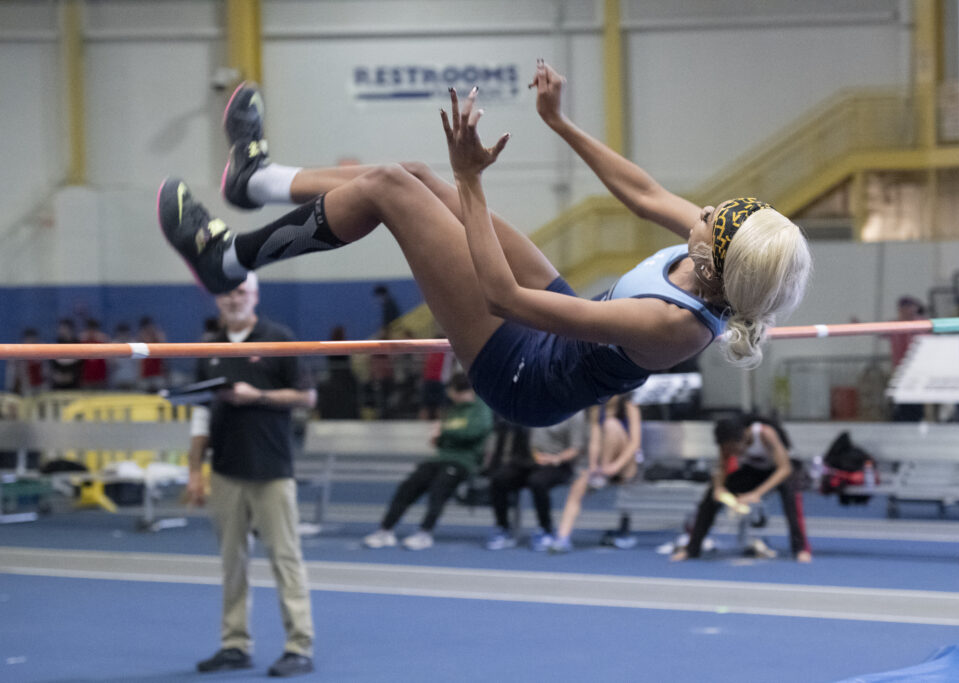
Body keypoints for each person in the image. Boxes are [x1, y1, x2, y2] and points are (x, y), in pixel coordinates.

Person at [157, 59, 812, 428]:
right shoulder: (712, 263)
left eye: (709, 217)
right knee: (413, 175)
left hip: (525, 373)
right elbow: (639, 192)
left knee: (391, 188)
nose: (698, 211)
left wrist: (471, 180)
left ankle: (227, 259)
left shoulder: (669, 322)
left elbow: (502, 298)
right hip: (556, 328)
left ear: (712, 256)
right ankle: (255, 179)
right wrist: (557, 122)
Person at [186, 272, 317, 677]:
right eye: (226, 292)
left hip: (272, 470)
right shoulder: (208, 349)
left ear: (255, 296)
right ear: (216, 300)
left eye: (241, 291)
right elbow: (201, 414)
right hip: (225, 470)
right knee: (232, 563)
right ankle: (234, 644)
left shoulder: (279, 338)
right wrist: (194, 469)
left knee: (285, 558)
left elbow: (307, 397)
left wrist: (256, 396)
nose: (233, 298)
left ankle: (299, 645)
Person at [362, 372, 492, 550]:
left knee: (438, 490)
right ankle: (386, 530)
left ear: (455, 390)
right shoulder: (453, 410)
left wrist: (444, 433)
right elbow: (443, 439)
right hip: (440, 458)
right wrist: (441, 437)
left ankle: (424, 533)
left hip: (463, 461)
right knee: (408, 486)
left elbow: (473, 432)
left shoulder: (480, 408)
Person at [670, 416, 811, 563]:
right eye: (728, 449)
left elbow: (785, 468)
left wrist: (756, 494)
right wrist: (718, 489)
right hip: (754, 472)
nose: (732, 453)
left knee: (790, 496)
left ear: (743, 436)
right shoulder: (726, 442)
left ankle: (800, 548)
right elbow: (721, 468)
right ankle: (692, 549)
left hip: (783, 472)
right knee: (711, 496)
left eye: (733, 448)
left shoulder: (765, 434)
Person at [549, 394, 642, 553]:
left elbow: (635, 443)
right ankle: (562, 537)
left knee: (611, 425)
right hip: (602, 468)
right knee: (577, 488)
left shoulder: (630, 407)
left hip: (626, 464)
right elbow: (595, 440)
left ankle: (603, 473)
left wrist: (614, 466)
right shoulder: (596, 408)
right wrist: (592, 466)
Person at [486, 410, 587, 551]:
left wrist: (554, 459)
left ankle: (545, 529)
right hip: (528, 461)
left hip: (558, 463)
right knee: (499, 479)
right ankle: (502, 528)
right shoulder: (534, 404)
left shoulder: (574, 412)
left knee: (537, 482)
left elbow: (577, 448)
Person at [889, 295, 926, 422]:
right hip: (901, 369)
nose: (906, 311)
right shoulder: (895, 325)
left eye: (910, 307)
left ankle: (915, 420)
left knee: (915, 400)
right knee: (901, 400)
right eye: (904, 308)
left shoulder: (921, 324)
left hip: (917, 370)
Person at [5, 328, 48, 395]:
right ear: (24, 342)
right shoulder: (16, 357)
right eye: (29, 342)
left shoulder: (44, 352)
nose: (32, 344)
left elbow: (47, 375)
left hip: (42, 390)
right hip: (25, 391)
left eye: (34, 342)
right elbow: (10, 381)